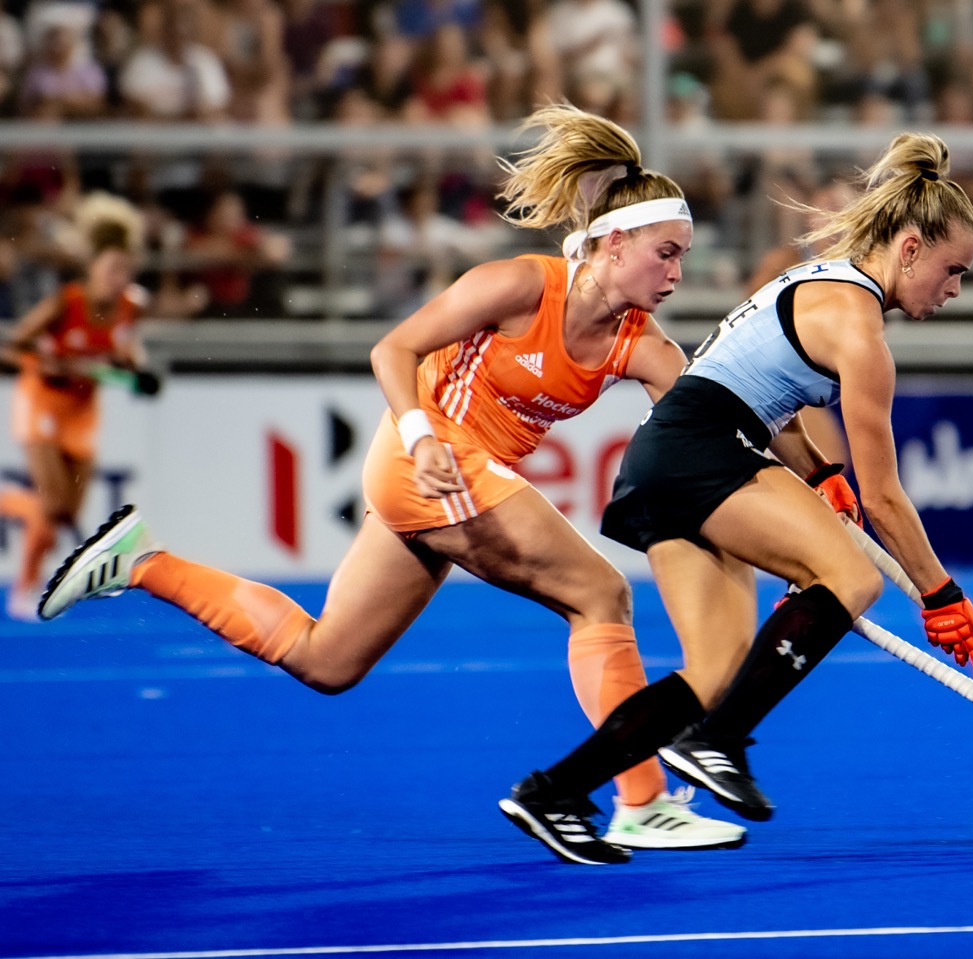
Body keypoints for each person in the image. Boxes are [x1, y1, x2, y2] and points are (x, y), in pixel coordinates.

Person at [36, 104, 744, 861]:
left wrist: (819, 491)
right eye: (666, 253)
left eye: (683, 257)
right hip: (428, 460)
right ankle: (640, 800)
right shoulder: (520, 285)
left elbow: (721, 423)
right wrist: (420, 433)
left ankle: (143, 561)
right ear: (613, 241)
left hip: (459, 482)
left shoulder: (642, 343)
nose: (677, 274)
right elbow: (393, 349)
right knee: (600, 594)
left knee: (327, 658)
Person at [497, 132, 973, 865]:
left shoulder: (820, 280)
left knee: (715, 670)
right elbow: (883, 497)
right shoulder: (861, 334)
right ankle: (720, 741)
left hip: (668, 453)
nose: (953, 290)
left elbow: (766, 389)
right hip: (705, 447)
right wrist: (941, 594)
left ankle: (553, 791)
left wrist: (819, 472)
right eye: (953, 271)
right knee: (852, 579)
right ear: (911, 249)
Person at [1, 192, 153, 622]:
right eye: (111, 268)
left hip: (83, 410)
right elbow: (13, 348)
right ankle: (25, 587)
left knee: (67, 511)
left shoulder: (130, 308)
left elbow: (126, 354)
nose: (118, 277)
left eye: (125, 270)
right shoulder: (66, 303)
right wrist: (44, 362)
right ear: (93, 267)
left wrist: (139, 374)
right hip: (42, 399)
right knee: (51, 507)